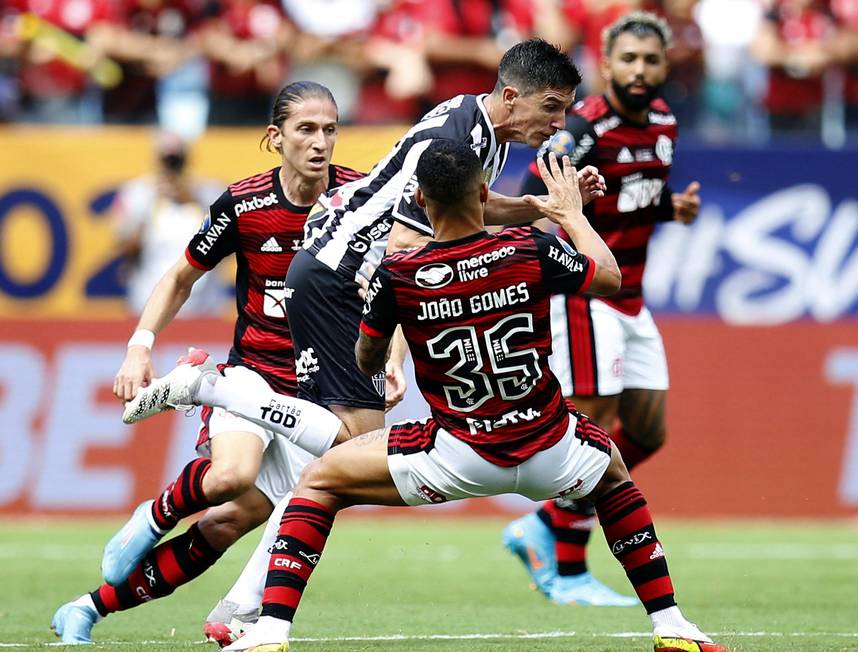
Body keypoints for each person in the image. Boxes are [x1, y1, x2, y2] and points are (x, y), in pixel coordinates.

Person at [142, 141, 727, 652]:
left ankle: (268, 631)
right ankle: (672, 624)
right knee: (616, 475)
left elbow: (368, 359)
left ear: (418, 202)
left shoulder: (399, 275)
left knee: (319, 483)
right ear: (482, 193)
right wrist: (570, 213)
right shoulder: (529, 249)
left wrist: (394, 339)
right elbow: (608, 277)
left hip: (455, 456)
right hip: (549, 445)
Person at [117, 37, 603, 643]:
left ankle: (239, 610)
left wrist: (544, 208)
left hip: (340, 273)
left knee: (333, 464)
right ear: (511, 96)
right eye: (552, 108)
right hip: (338, 279)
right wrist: (402, 339)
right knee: (356, 447)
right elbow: (405, 250)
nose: (559, 124)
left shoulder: (478, 126)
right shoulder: (458, 140)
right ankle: (214, 390)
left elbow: (465, 210)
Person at [49, 81, 368, 645]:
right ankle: (154, 515)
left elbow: (391, 279)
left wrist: (386, 356)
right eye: (306, 130)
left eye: (330, 129)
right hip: (250, 376)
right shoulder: (245, 204)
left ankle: (88, 608)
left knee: (226, 523)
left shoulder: (360, 199)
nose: (321, 143)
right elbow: (179, 276)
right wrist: (140, 344)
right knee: (230, 476)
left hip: (314, 395)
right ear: (276, 138)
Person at [503, 12, 702, 608]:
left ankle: (541, 521)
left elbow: (633, 196)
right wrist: (567, 182)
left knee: (647, 431)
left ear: (665, 65)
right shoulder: (587, 124)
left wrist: (671, 209)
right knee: (593, 428)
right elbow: (544, 170)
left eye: (650, 60)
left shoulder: (665, 120)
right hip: (587, 290)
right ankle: (566, 570)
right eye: (628, 60)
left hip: (632, 297)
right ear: (606, 64)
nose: (639, 71)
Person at [112, 130, 225, 316]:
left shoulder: (210, 192)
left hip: (202, 303)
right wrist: (152, 202)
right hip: (149, 299)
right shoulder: (137, 193)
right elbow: (124, 246)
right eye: (167, 160)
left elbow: (228, 242)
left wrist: (192, 198)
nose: (172, 167)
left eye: (177, 161)